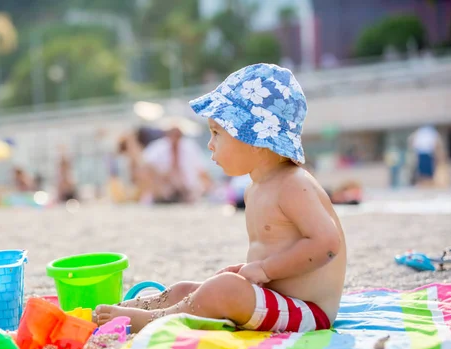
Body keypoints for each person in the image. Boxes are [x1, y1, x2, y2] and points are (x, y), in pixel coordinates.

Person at [95, 64, 347, 333]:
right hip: (280, 300)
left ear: (255, 140)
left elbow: (327, 244)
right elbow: (279, 248)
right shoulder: (257, 187)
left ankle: (153, 319)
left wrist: (265, 269)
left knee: (223, 289)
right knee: (187, 289)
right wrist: (252, 268)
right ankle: (125, 307)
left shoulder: (293, 185)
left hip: (308, 311)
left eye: (217, 133)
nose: (210, 143)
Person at [141, 126, 210, 204]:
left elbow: (202, 171)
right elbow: (144, 165)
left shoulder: (190, 147)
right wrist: (161, 177)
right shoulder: (158, 148)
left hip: (186, 190)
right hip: (164, 190)